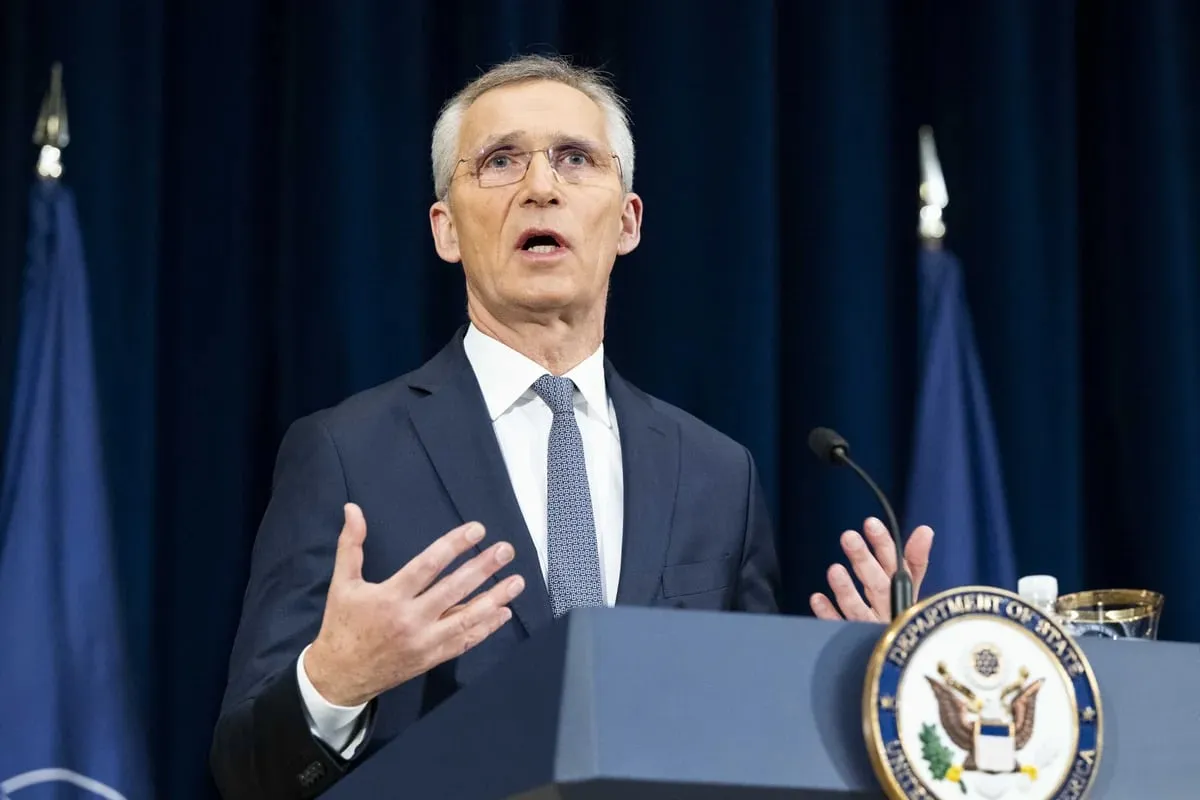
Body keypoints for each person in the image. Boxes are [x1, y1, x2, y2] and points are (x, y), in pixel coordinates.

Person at [209, 53, 935, 799]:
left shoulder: (717, 474)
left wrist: (865, 689)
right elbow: (245, 773)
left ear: (627, 221)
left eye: (575, 159)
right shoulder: (347, 453)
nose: (541, 188)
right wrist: (334, 683)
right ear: (445, 230)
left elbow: (749, 748)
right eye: (500, 161)